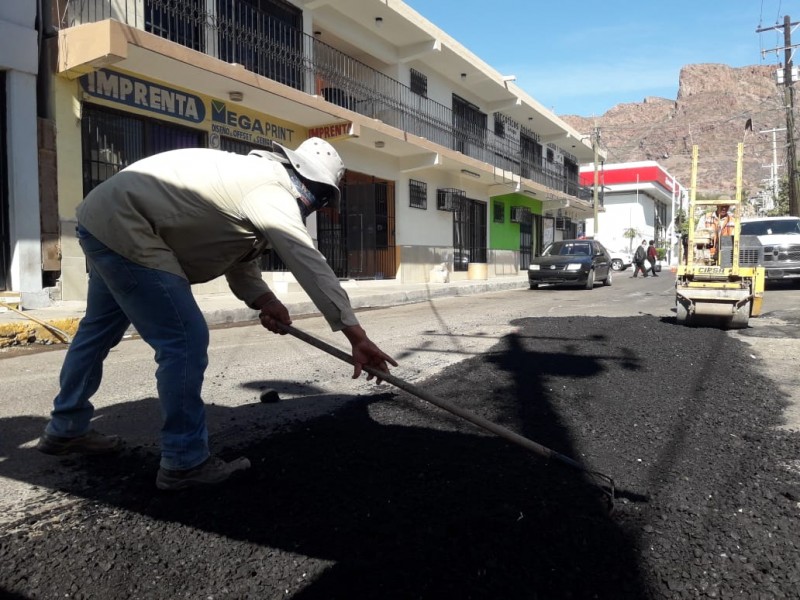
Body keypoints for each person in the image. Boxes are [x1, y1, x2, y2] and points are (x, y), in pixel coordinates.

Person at [35, 138, 398, 491]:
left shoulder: (254, 181)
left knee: (97, 331)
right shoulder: (272, 191)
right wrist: (356, 336)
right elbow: (308, 261)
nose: (316, 208)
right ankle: (184, 462)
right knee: (184, 339)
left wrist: (264, 300)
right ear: (310, 185)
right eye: (320, 200)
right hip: (130, 227)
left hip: (105, 221)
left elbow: (239, 254)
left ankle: (67, 427)